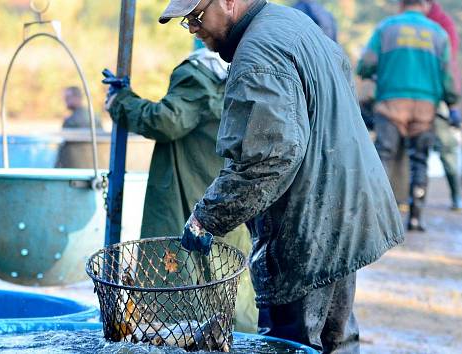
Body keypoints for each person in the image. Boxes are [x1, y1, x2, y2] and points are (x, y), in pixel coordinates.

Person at [152, 0, 404, 351]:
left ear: (228, 2)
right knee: (336, 340)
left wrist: (206, 217)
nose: (193, 29)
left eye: (195, 17)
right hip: (347, 209)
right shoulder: (292, 23)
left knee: (293, 343)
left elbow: (267, 159)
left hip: (308, 225)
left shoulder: (258, 55)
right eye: (186, 22)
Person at [102, 43, 258, 333]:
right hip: (230, 197)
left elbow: (166, 120)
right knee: (232, 280)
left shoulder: (196, 75)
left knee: (183, 287)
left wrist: (120, 101)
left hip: (191, 199)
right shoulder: (246, 74)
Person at [357, 0, 459, 231]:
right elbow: (448, 76)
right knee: (420, 161)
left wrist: (372, 72)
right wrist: (452, 104)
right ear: (424, 5)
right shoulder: (438, 33)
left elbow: (366, 64)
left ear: (402, 4)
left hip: (391, 103)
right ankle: (415, 217)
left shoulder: (387, 28)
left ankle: (375, 217)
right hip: (425, 107)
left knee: (384, 156)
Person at [426, 0, 462, 211]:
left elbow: (448, 63)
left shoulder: (442, 24)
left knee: (446, 148)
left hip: (438, 95)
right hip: (421, 94)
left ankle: (456, 195)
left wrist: (452, 102)